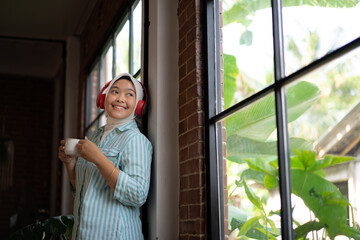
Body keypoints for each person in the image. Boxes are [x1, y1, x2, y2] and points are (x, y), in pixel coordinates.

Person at [58, 73, 153, 239]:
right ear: (104, 98)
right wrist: (70, 163)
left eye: (129, 94)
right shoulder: (95, 136)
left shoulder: (135, 140)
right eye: (115, 92)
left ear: (138, 105)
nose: (120, 98)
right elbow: (82, 188)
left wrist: (98, 158)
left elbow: (138, 195)